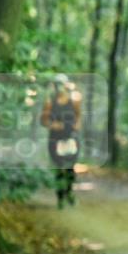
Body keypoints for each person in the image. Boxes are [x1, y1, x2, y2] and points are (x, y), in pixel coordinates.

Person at [40, 74, 82, 209]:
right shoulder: (50, 101)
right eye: (56, 84)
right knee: (58, 168)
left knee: (70, 167)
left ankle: (69, 192)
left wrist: (76, 126)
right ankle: (60, 197)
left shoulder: (74, 99)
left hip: (70, 137)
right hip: (55, 139)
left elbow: (78, 116)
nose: (59, 87)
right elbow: (44, 120)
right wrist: (54, 125)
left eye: (61, 84)